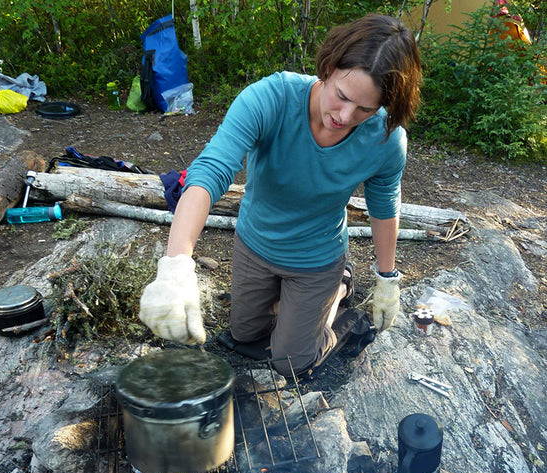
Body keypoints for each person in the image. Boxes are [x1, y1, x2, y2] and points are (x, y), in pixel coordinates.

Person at [140, 13, 422, 376]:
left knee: (291, 362)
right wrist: (175, 266)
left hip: (317, 257)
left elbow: (384, 206)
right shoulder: (271, 98)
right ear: (329, 67)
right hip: (255, 244)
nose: (345, 115)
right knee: (244, 335)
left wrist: (387, 278)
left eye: (365, 109)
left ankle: (338, 287)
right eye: (342, 96)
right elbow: (211, 170)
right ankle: (299, 305)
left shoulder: (386, 139)